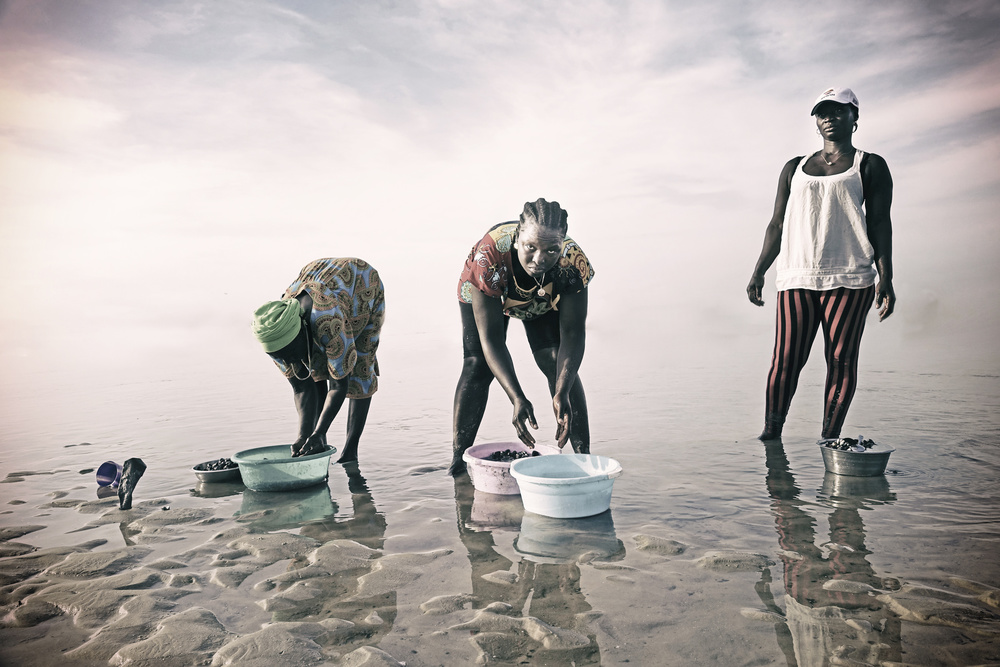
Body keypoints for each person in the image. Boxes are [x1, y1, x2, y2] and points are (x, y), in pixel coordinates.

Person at [747, 87, 895, 440]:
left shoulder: (869, 165)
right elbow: (776, 223)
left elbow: (879, 223)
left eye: (838, 111)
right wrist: (759, 271)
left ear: (854, 117)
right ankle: (771, 435)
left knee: (841, 361)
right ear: (816, 121)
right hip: (796, 274)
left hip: (850, 276)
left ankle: (829, 438)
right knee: (785, 361)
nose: (829, 117)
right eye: (822, 112)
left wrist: (886, 278)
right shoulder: (794, 167)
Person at [450, 198, 595, 476]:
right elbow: (491, 340)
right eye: (531, 247)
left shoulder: (572, 263)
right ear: (517, 239)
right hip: (490, 285)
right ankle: (457, 464)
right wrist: (517, 397)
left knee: (556, 363)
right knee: (477, 365)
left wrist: (561, 390)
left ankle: (585, 462)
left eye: (552, 249)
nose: (540, 259)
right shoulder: (488, 256)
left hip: (541, 296)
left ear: (562, 245)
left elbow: (573, 334)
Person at [251, 257, 384, 462]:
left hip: (361, 286)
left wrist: (319, 432)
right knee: (314, 372)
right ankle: (315, 444)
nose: (291, 361)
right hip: (318, 285)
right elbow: (302, 388)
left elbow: (338, 385)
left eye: (292, 354)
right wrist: (304, 436)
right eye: (283, 358)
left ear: (301, 332)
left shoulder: (327, 319)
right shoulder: (274, 335)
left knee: (359, 368)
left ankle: (350, 452)